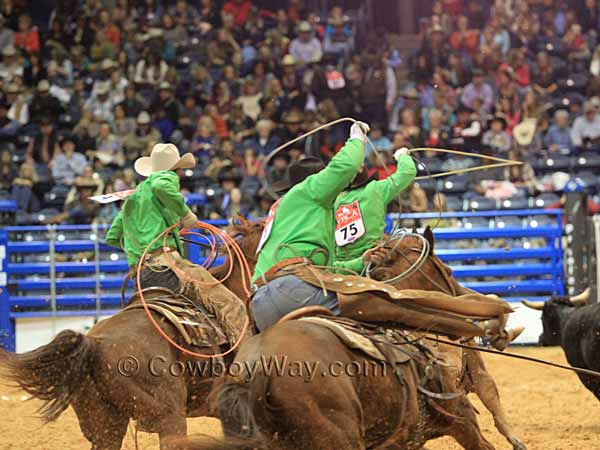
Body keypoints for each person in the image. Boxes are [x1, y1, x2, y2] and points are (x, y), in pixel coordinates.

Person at [250, 121, 516, 346]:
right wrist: (389, 151)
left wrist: (358, 261)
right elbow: (404, 174)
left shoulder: (286, 209)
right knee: (400, 303)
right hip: (318, 279)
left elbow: (323, 264)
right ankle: (478, 325)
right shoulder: (364, 191)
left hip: (265, 295)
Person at [106, 143, 248, 346]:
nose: (180, 174)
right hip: (166, 264)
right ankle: (242, 355)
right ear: (176, 169)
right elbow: (160, 186)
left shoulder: (133, 196)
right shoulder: (165, 179)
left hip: (141, 273)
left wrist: (142, 246)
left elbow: (113, 235)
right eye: (179, 170)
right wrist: (186, 215)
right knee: (231, 304)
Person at [333, 147, 416, 264]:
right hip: (374, 257)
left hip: (341, 263)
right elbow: (408, 172)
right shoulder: (376, 189)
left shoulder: (335, 200)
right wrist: (402, 156)